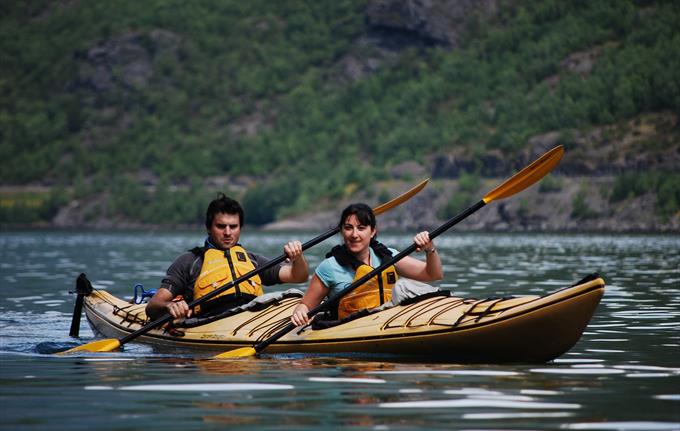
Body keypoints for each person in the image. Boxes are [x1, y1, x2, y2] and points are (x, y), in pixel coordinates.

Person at [146, 193, 308, 320]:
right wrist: (169, 306)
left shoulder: (252, 260)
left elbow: (298, 276)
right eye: (221, 226)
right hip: (209, 323)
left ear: (240, 228)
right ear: (209, 227)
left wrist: (298, 257)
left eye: (233, 226)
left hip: (253, 320)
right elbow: (153, 305)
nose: (228, 233)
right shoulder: (189, 261)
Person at [291, 203, 443, 326]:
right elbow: (305, 306)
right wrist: (300, 312)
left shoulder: (387, 256)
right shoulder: (329, 267)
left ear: (372, 232)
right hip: (350, 328)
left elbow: (433, 274)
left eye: (361, 228)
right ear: (342, 232)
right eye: (348, 228)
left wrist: (429, 248)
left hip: (389, 323)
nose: (354, 234)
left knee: (405, 289)